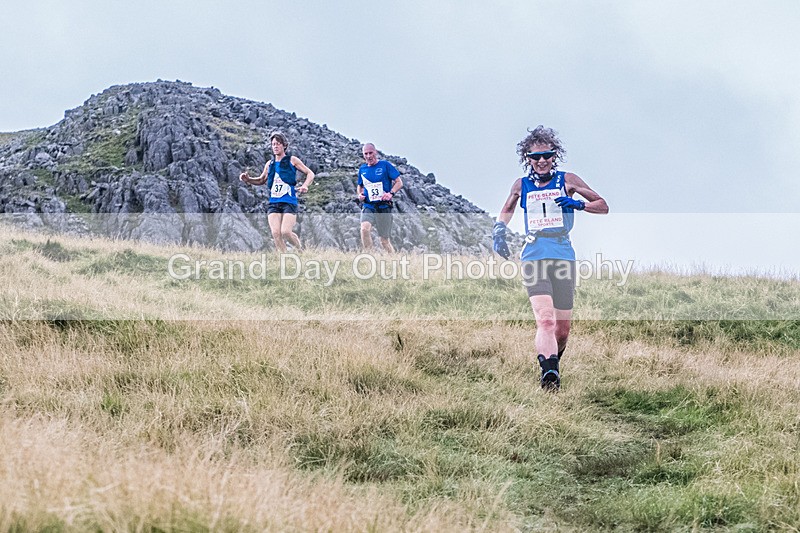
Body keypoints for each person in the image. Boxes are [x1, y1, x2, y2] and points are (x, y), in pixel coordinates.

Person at [493, 126, 608, 391]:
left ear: (555, 155)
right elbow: (507, 209)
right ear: (527, 158)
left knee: (562, 330)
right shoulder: (520, 185)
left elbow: (603, 206)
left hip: (563, 255)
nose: (542, 160)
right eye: (536, 157)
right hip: (534, 255)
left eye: (547, 155)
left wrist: (579, 204)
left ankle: (554, 360)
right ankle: (549, 375)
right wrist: (499, 230)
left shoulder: (568, 180)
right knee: (545, 319)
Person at [240, 131, 315, 252]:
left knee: (285, 232)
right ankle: (284, 258)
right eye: (273, 144)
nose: (275, 146)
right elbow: (261, 180)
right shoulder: (269, 164)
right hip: (274, 202)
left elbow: (310, 173)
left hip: (289, 201)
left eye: (278, 144)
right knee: (276, 233)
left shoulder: (292, 160)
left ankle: (300, 250)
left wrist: (305, 185)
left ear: (284, 145)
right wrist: (248, 179)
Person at [357, 143, 403, 253]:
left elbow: (399, 182)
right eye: (366, 154)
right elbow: (360, 186)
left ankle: (394, 259)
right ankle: (370, 256)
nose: (368, 156)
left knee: (384, 241)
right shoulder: (362, 169)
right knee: (364, 229)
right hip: (368, 205)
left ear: (376, 152)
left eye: (370, 153)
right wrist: (360, 194)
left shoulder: (385, 165)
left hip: (383, 206)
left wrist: (390, 193)